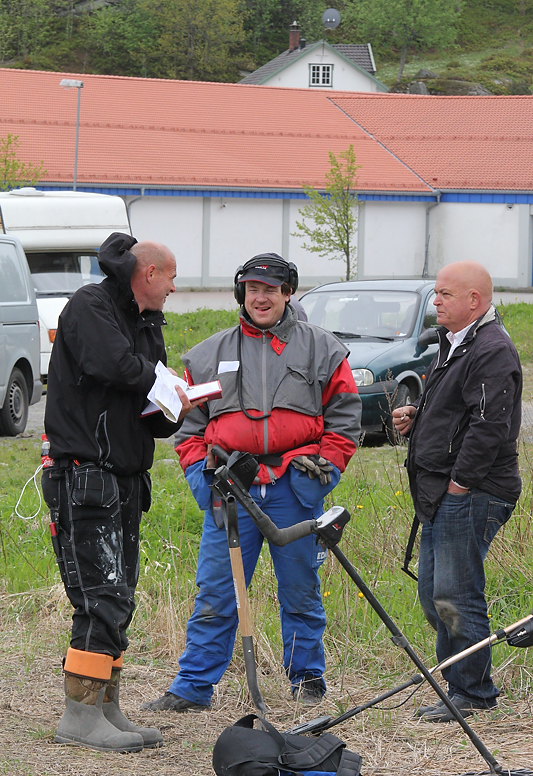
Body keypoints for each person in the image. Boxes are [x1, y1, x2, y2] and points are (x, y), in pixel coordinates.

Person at [142, 252, 361, 713]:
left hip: (294, 491)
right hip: (229, 491)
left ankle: (307, 680)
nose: (261, 298)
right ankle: (192, 687)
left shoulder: (323, 349)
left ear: (288, 293)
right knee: (216, 593)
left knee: (301, 590)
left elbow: (345, 420)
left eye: (271, 290)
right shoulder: (207, 354)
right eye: (253, 289)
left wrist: (324, 472)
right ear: (241, 293)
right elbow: (188, 431)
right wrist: (204, 483)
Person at [42, 232, 197, 752]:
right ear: (149, 273)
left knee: (120, 596)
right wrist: (161, 381)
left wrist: (174, 405)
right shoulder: (90, 305)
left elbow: (148, 405)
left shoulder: (147, 324)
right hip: (85, 475)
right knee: (99, 597)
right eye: (171, 277)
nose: (174, 288)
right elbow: (112, 364)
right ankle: (79, 715)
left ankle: (106, 705)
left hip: (126, 478)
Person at [392, 260, 522, 723]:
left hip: (473, 491)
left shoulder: (491, 349)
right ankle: (460, 685)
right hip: (443, 492)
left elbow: (489, 427)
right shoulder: (455, 343)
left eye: (445, 294)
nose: (436, 302)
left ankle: (473, 693)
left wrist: (459, 485)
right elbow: (458, 414)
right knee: (435, 594)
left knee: (455, 594)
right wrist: (417, 417)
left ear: (475, 300)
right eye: (436, 293)